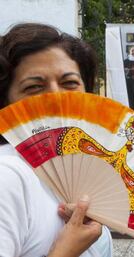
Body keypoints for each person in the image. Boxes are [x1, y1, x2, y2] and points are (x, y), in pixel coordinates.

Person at [0, 23, 112, 257]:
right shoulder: (7, 177)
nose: (56, 98)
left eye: (69, 83)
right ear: (7, 102)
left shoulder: (82, 168)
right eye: (34, 87)